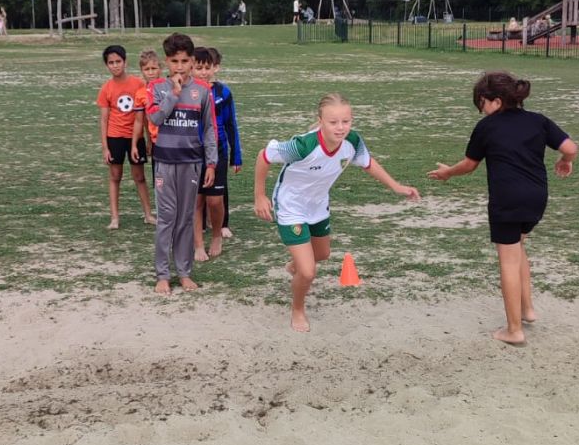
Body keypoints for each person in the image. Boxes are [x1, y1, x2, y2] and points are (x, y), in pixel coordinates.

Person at [428, 71, 578, 347]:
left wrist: (447, 172)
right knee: (518, 247)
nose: (481, 110)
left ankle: (514, 330)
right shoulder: (538, 120)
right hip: (536, 198)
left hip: (507, 200)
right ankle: (527, 310)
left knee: (508, 260)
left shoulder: (487, 127)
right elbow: (570, 147)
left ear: (495, 100)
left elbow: (469, 165)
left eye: (481, 104)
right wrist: (565, 160)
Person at [254, 93, 420, 333]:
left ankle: (296, 266)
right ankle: (298, 309)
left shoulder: (352, 141)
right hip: (291, 206)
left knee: (322, 254)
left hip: (318, 204)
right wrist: (260, 196)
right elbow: (264, 156)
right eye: (333, 122)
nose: (340, 127)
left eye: (346, 121)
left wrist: (396, 186)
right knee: (308, 272)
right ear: (320, 121)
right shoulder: (303, 146)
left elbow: (368, 163)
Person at [146, 33, 217, 294]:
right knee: (166, 218)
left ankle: (184, 272)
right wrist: (173, 94)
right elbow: (155, 119)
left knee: (186, 218)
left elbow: (209, 129)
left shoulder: (203, 90)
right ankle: (163, 275)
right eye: (174, 61)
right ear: (166, 62)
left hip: (192, 162)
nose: (179, 66)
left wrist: (211, 163)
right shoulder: (156, 88)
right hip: (165, 163)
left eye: (185, 61)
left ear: (192, 62)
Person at [192, 47, 242, 261]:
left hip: (218, 151)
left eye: (207, 68)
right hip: (193, 153)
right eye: (198, 68)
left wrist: (236, 156)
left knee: (214, 201)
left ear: (214, 68)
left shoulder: (223, 93)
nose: (203, 72)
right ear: (191, 68)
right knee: (196, 200)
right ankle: (198, 245)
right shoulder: (186, 92)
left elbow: (231, 125)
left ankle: (217, 234)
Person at [97, 44, 154, 230]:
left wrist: (149, 139)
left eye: (118, 61)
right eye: (111, 63)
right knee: (115, 176)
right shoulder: (106, 89)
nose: (115, 65)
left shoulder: (138, 84)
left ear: (125, 62)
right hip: (115, 137)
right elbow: (104, 119)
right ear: (107, 65)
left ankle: (148, 214)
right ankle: (114, 218)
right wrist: (105, 147)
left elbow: (144, 115)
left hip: (135, 138)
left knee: (139, 176)